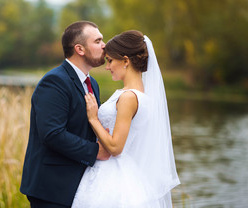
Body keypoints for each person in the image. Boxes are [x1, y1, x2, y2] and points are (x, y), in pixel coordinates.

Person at [72, 30, 180, 207]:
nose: (107, 67)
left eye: (110, 61)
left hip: (112, 176)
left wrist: (93, 119)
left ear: (126, 61)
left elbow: (115, 147)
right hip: (126, 172)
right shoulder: (142, 96)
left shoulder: (129, 98)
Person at [20, 21, 111, 208]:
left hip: (80, 186)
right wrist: (95, 151)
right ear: (80, 49)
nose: (104, 45)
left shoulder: (92, 83)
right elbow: (52, 134)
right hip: (51, 188)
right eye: (98, 41)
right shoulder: (55, 81)